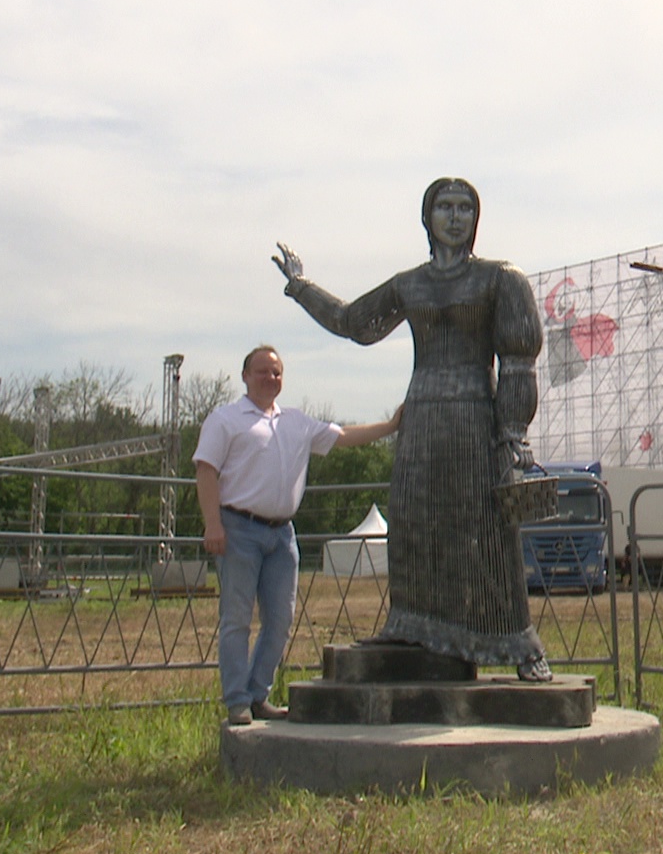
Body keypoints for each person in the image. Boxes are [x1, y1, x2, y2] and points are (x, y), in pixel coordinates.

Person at [273, 177, 554, 682]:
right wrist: (300, 287)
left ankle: (518, 642)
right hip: (422, 416)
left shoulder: (499, 279)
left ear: (476, 218)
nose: (454, 217)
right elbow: (353, 321)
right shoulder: (411, 284)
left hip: (475, 415)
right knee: (414, 522)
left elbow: (518, 359)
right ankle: (414, 624)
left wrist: (513, 427)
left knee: (486, 530)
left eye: (464, 208)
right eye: (443, 207)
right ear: (427, 218)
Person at [193, 345, 401, 726]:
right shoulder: (225, 420)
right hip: (238, 528)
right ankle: (237, 699)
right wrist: (213, 524)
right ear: (244, 376)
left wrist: (390, 427)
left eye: (276, 372)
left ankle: (258, 694)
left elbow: (343, 436)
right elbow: (205, 471)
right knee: (237, 618)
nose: (270, 379)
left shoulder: (296, 422)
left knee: (281, 619)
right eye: (262, 372)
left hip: (282, 534)